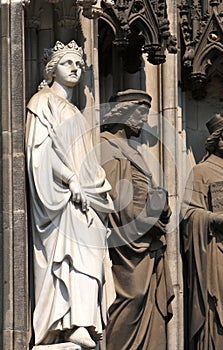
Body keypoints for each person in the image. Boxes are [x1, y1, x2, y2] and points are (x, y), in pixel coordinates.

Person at [25, 40, 115, 348]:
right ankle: (69, 323)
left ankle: (85, 319)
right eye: (68, 63)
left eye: (79, 64)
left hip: (86, 198)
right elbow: (40, 153)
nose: (75, 68)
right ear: (52, 69)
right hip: (63, 198)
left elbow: (85, 157)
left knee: (90, 257)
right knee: (72, 258)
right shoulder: (41, 102)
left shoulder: (75, 111)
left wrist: (96, 185)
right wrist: (71, 180)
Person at [100, 90, 174, 350]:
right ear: (122, 114)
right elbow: (113, 196)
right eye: (139, 114)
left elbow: (146, 190)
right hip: (126, 240)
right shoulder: (106, 144)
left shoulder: (135, 152)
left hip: (146, 235)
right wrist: (142, 219)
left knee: (148, 300)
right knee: (132, 295)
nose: (142, 121)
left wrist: (161, 204)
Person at [181, 111, 223, 349]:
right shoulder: (202, 172)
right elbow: (188, 215)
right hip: (218, 253)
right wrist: (213, 219)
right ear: (215, 138)